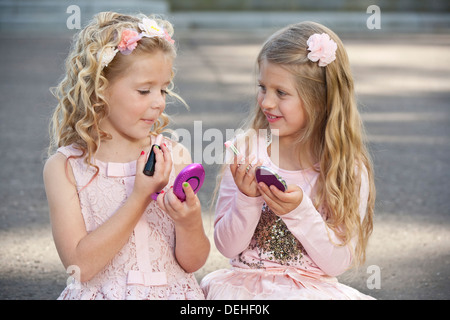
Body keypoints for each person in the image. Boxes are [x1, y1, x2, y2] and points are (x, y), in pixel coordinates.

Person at [200, 21, 376, 299]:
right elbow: (227, 247)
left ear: (320, 99)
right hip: (243, 287)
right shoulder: (247, 150)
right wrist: (247, 199)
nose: (266, 102)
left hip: (311, 290)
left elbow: (337, 262)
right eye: (262, 87)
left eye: (281, 93)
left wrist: (300, 213)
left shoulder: (346, 168)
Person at [43, 12, 209, 300]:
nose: (158, 102)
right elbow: (80, 267)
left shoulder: (173, 156)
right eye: (144, 91)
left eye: (163, 89)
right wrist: (139, 196)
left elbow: (193, 263)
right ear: (100, 89)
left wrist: (189, 221)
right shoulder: (66, 167)